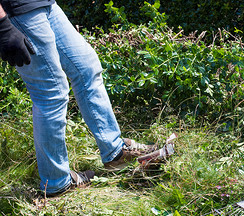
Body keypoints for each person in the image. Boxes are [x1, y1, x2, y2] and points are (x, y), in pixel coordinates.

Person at [0, 0, 156, 197]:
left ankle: (115, 152)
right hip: (19, 13)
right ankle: (56, 184)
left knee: (87, 68)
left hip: (44, 4)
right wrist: (3, 27)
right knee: (50, 93)